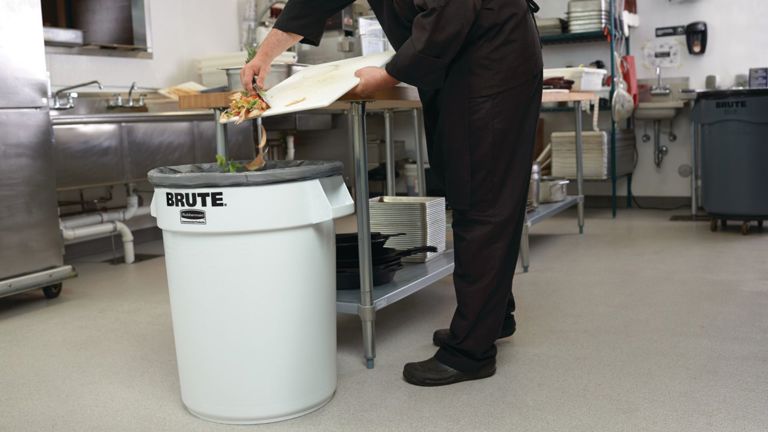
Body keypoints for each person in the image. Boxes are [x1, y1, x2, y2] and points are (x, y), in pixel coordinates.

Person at [242, 0, 543, 387]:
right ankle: (491, 317)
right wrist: (264, 56)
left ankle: (472, 352)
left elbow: (451, 10)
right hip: (462, 63)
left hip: (491, 62)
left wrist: (390, 74)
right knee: (467, 187)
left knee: (483, 198)